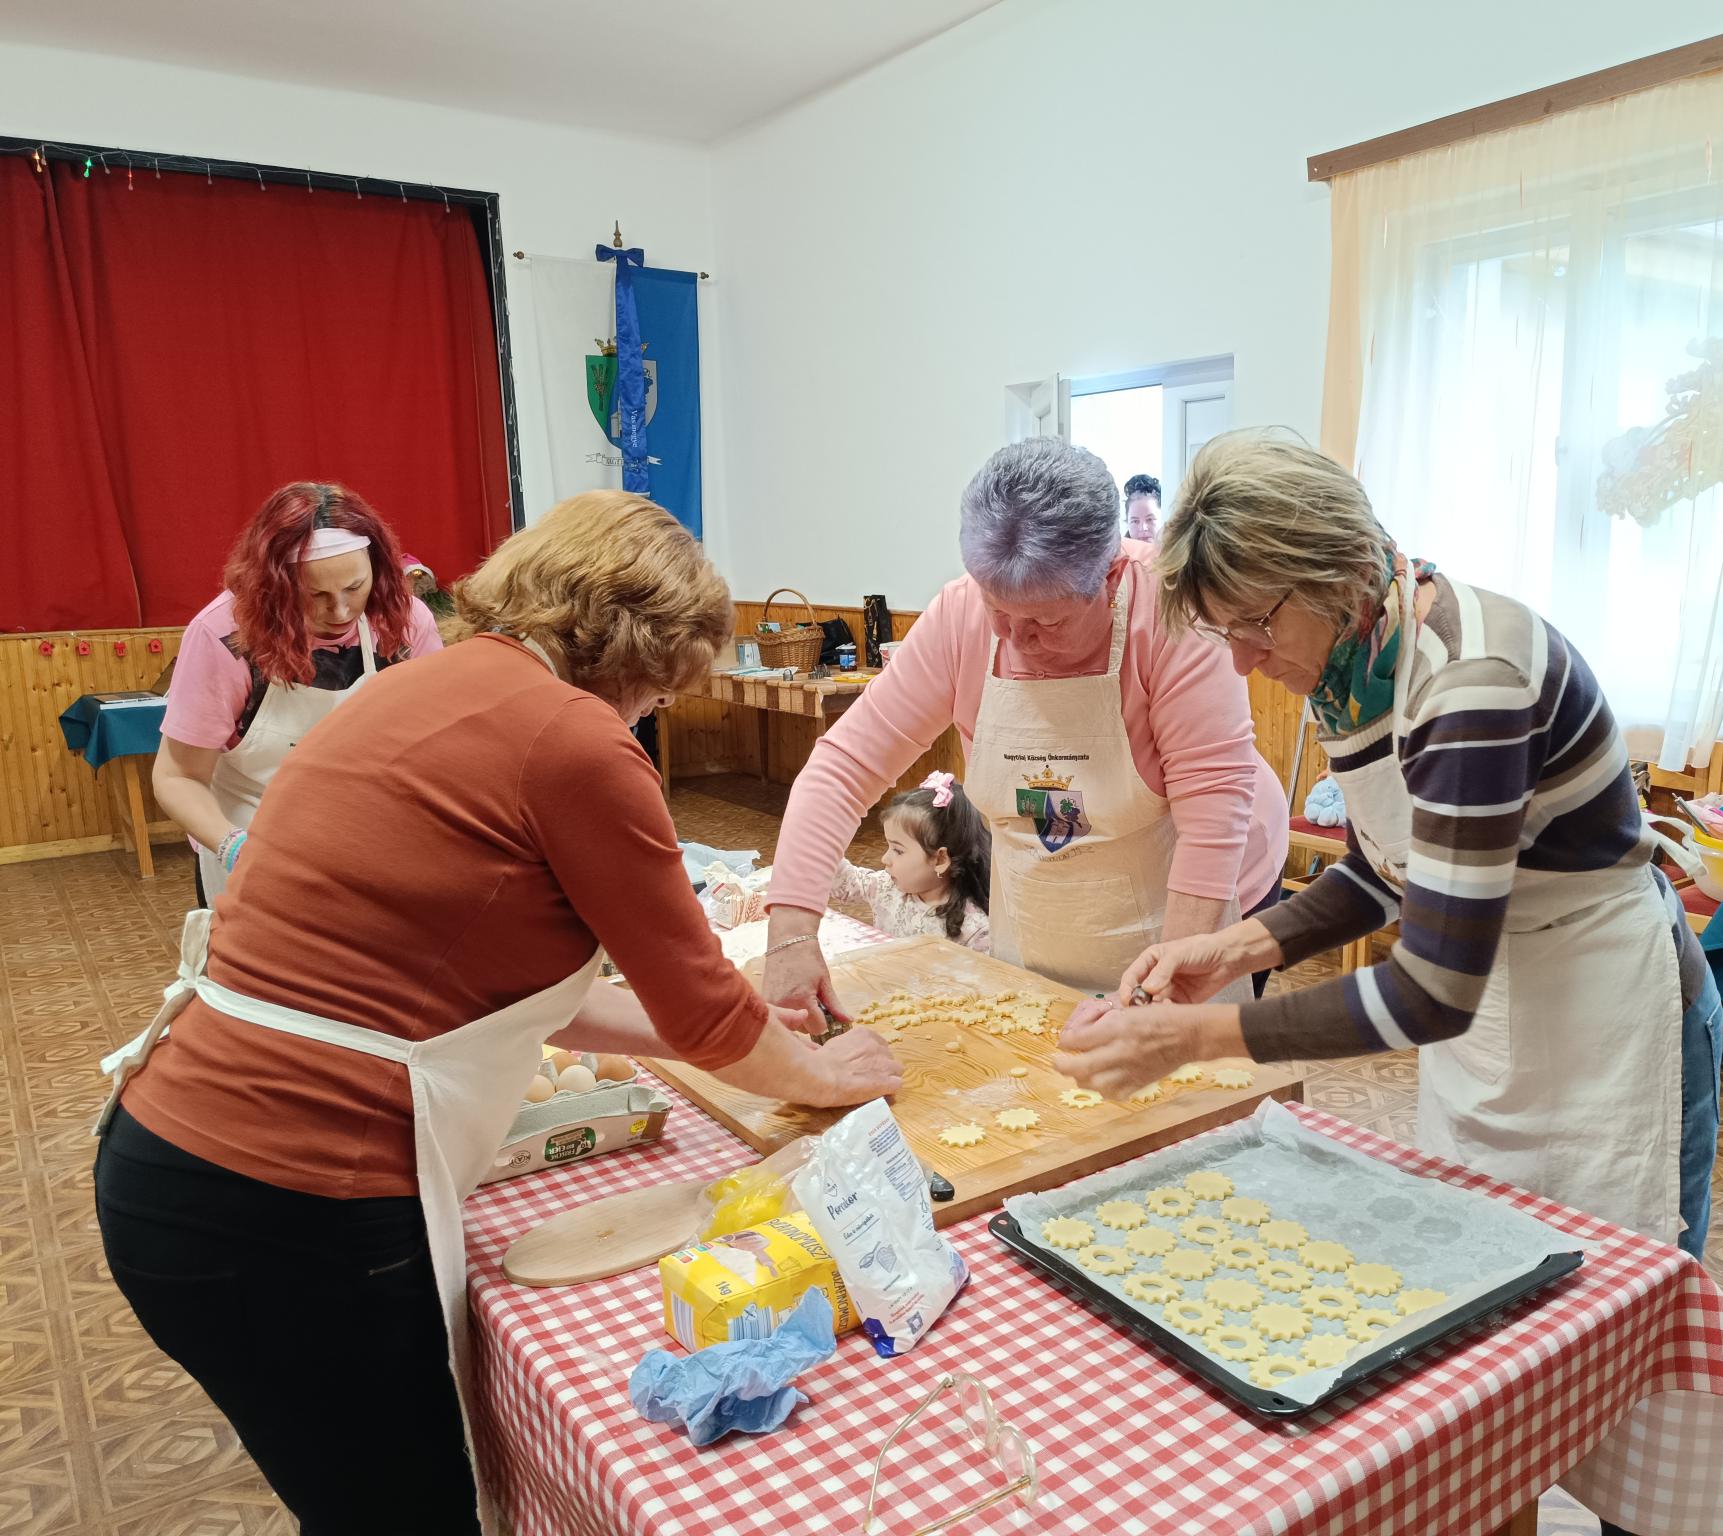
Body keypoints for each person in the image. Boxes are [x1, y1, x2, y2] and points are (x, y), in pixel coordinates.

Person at [95, 492, 902, 1535]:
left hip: (173, 1164)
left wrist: (749, 1029)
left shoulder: (423, 688)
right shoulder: (573, 738)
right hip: (291, 1202)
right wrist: (830, 1077)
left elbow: (526, 1002)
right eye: (661, 684)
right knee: (405, 1515)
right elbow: (704, 1017)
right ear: (635, 648)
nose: (653, 711)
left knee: (354, 1500)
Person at [1056, 431, 1723, 1266]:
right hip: (1492, 1009)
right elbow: (1384, 870)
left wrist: (1193, 1039)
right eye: (1224, 631)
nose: (1243, 660)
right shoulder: (1355, 662)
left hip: (1598, 1012)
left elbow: (1434, 991)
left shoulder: (1469, 683)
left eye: (1255, 625)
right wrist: (1230, 946)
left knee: (1612, 1299)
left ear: (1336, 571)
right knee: (1487, 1275)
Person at [764, 439, 1289, 1019]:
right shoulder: (960, 614)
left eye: (1046, 620)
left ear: (1109, 577)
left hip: (1202, 883)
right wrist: (791, 932)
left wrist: (1167, 992)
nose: (1015, 640)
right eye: (998, 610)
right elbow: (842, 768)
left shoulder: (1173, 613)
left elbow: (1213, 815)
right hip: (1044, 903)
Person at [153, 482, 442, 906]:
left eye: (355, 587)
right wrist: (235, 847)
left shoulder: (402, 622)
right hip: (253, 836)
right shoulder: (226, 638)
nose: (341, 611)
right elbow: (178, 777)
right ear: (275, 585)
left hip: (371, 839)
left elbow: (435, 741)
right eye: (316, 596)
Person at [831, 771, 994, 951]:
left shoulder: (975, 930)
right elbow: (844, 881)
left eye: (898, 850)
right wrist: (819, 842)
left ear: (940, 860)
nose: (885, 859)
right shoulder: (886, 888)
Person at [1123, 473, 1162, 542]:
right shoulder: (1115, 551)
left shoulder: (1179, 550)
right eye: (1135, 521)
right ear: (1127, 522)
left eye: (1149, 519)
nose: (1143, 528)